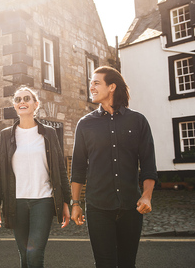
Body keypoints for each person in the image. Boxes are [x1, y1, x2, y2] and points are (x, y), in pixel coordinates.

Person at [71, 66, 158, 268]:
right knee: (104, 264)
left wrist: (147, 195)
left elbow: (148, 163)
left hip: (130, 207)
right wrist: (75, 202)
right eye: (90, 82)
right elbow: (78, 168)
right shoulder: (85, 124)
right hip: (98, 208)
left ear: (111, 86)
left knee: (127, 264)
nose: (90, 86)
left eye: (96, 82)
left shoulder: (138, 121)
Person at [0, 86, 71, 268]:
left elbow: (59, 169)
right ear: (14, 106)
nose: (22, 102)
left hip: (43, 200)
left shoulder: (48, 133)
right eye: (18, 99)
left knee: (34, 253)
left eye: (27, 98)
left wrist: (65, 202)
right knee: (24, 256)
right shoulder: (6, 136)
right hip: (16, 202)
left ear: (35, 105)